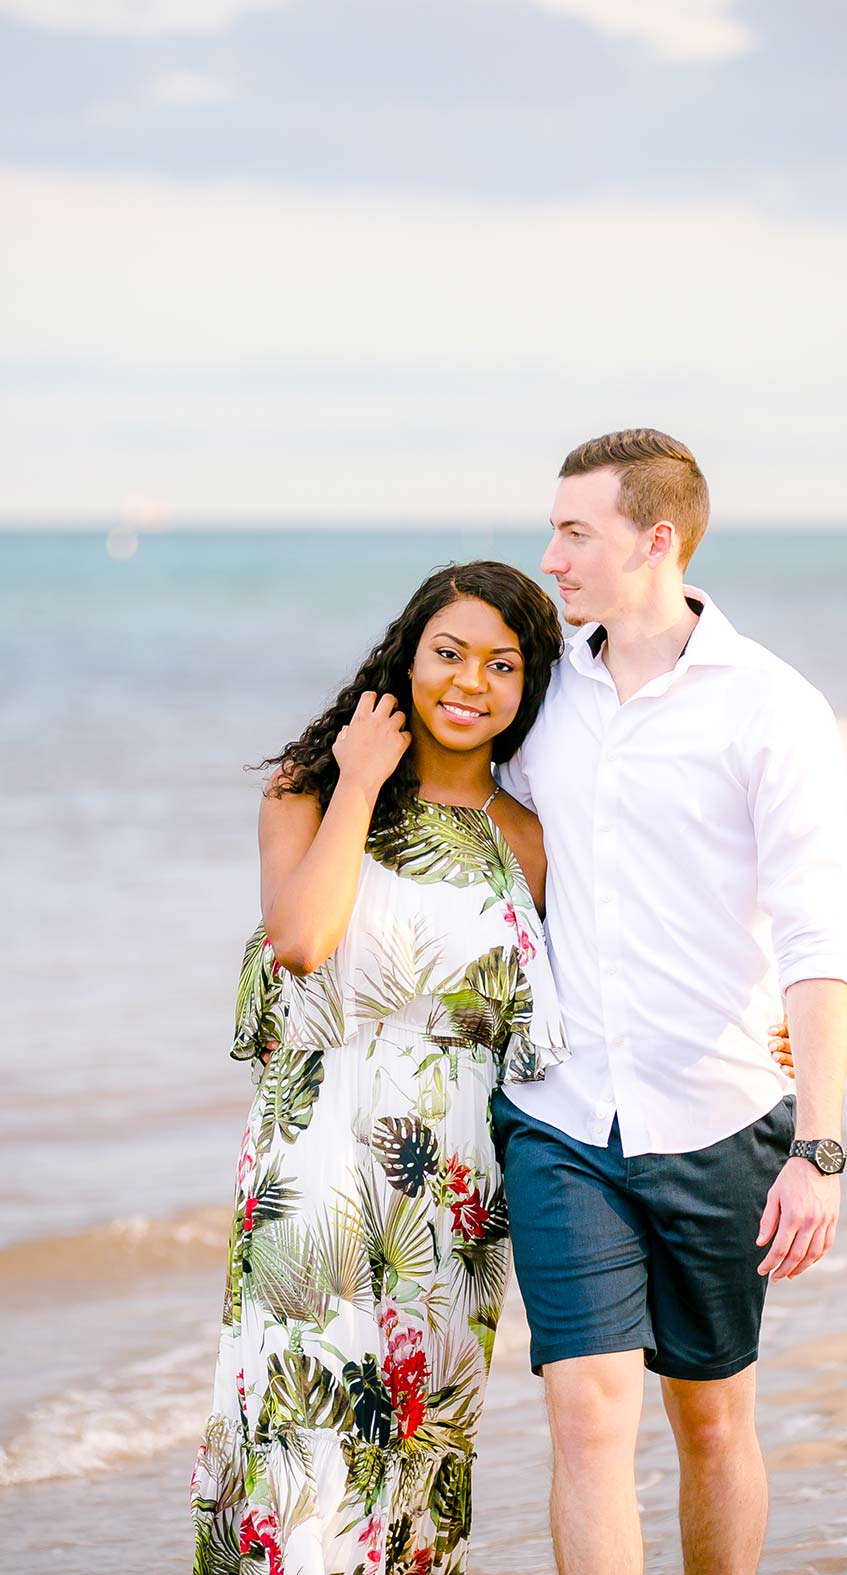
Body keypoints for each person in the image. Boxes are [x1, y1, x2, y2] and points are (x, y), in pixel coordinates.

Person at [491, 429, 847, 1575]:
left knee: (710, 1420)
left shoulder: (773, 708)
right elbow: (472, 807)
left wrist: (821, 1146)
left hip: (719, 1115)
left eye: (575, 531)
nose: (549, 556)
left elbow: (817, 935)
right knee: (588, 1412)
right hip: (561, 1113)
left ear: (658, 540)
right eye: (553, 527)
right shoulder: (540, 691)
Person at [190, 562, 569, 1575]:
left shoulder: (528, 839)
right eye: (449, 653)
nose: (470, 683)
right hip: (310, 1161)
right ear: (408, 655)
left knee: (418, 1438)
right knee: (302, 1432)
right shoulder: (306, 793)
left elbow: (601, 1004)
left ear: (529, 688)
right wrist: (359, 778)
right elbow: (305, 941)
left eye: (503, 664)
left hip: (448, 1190)